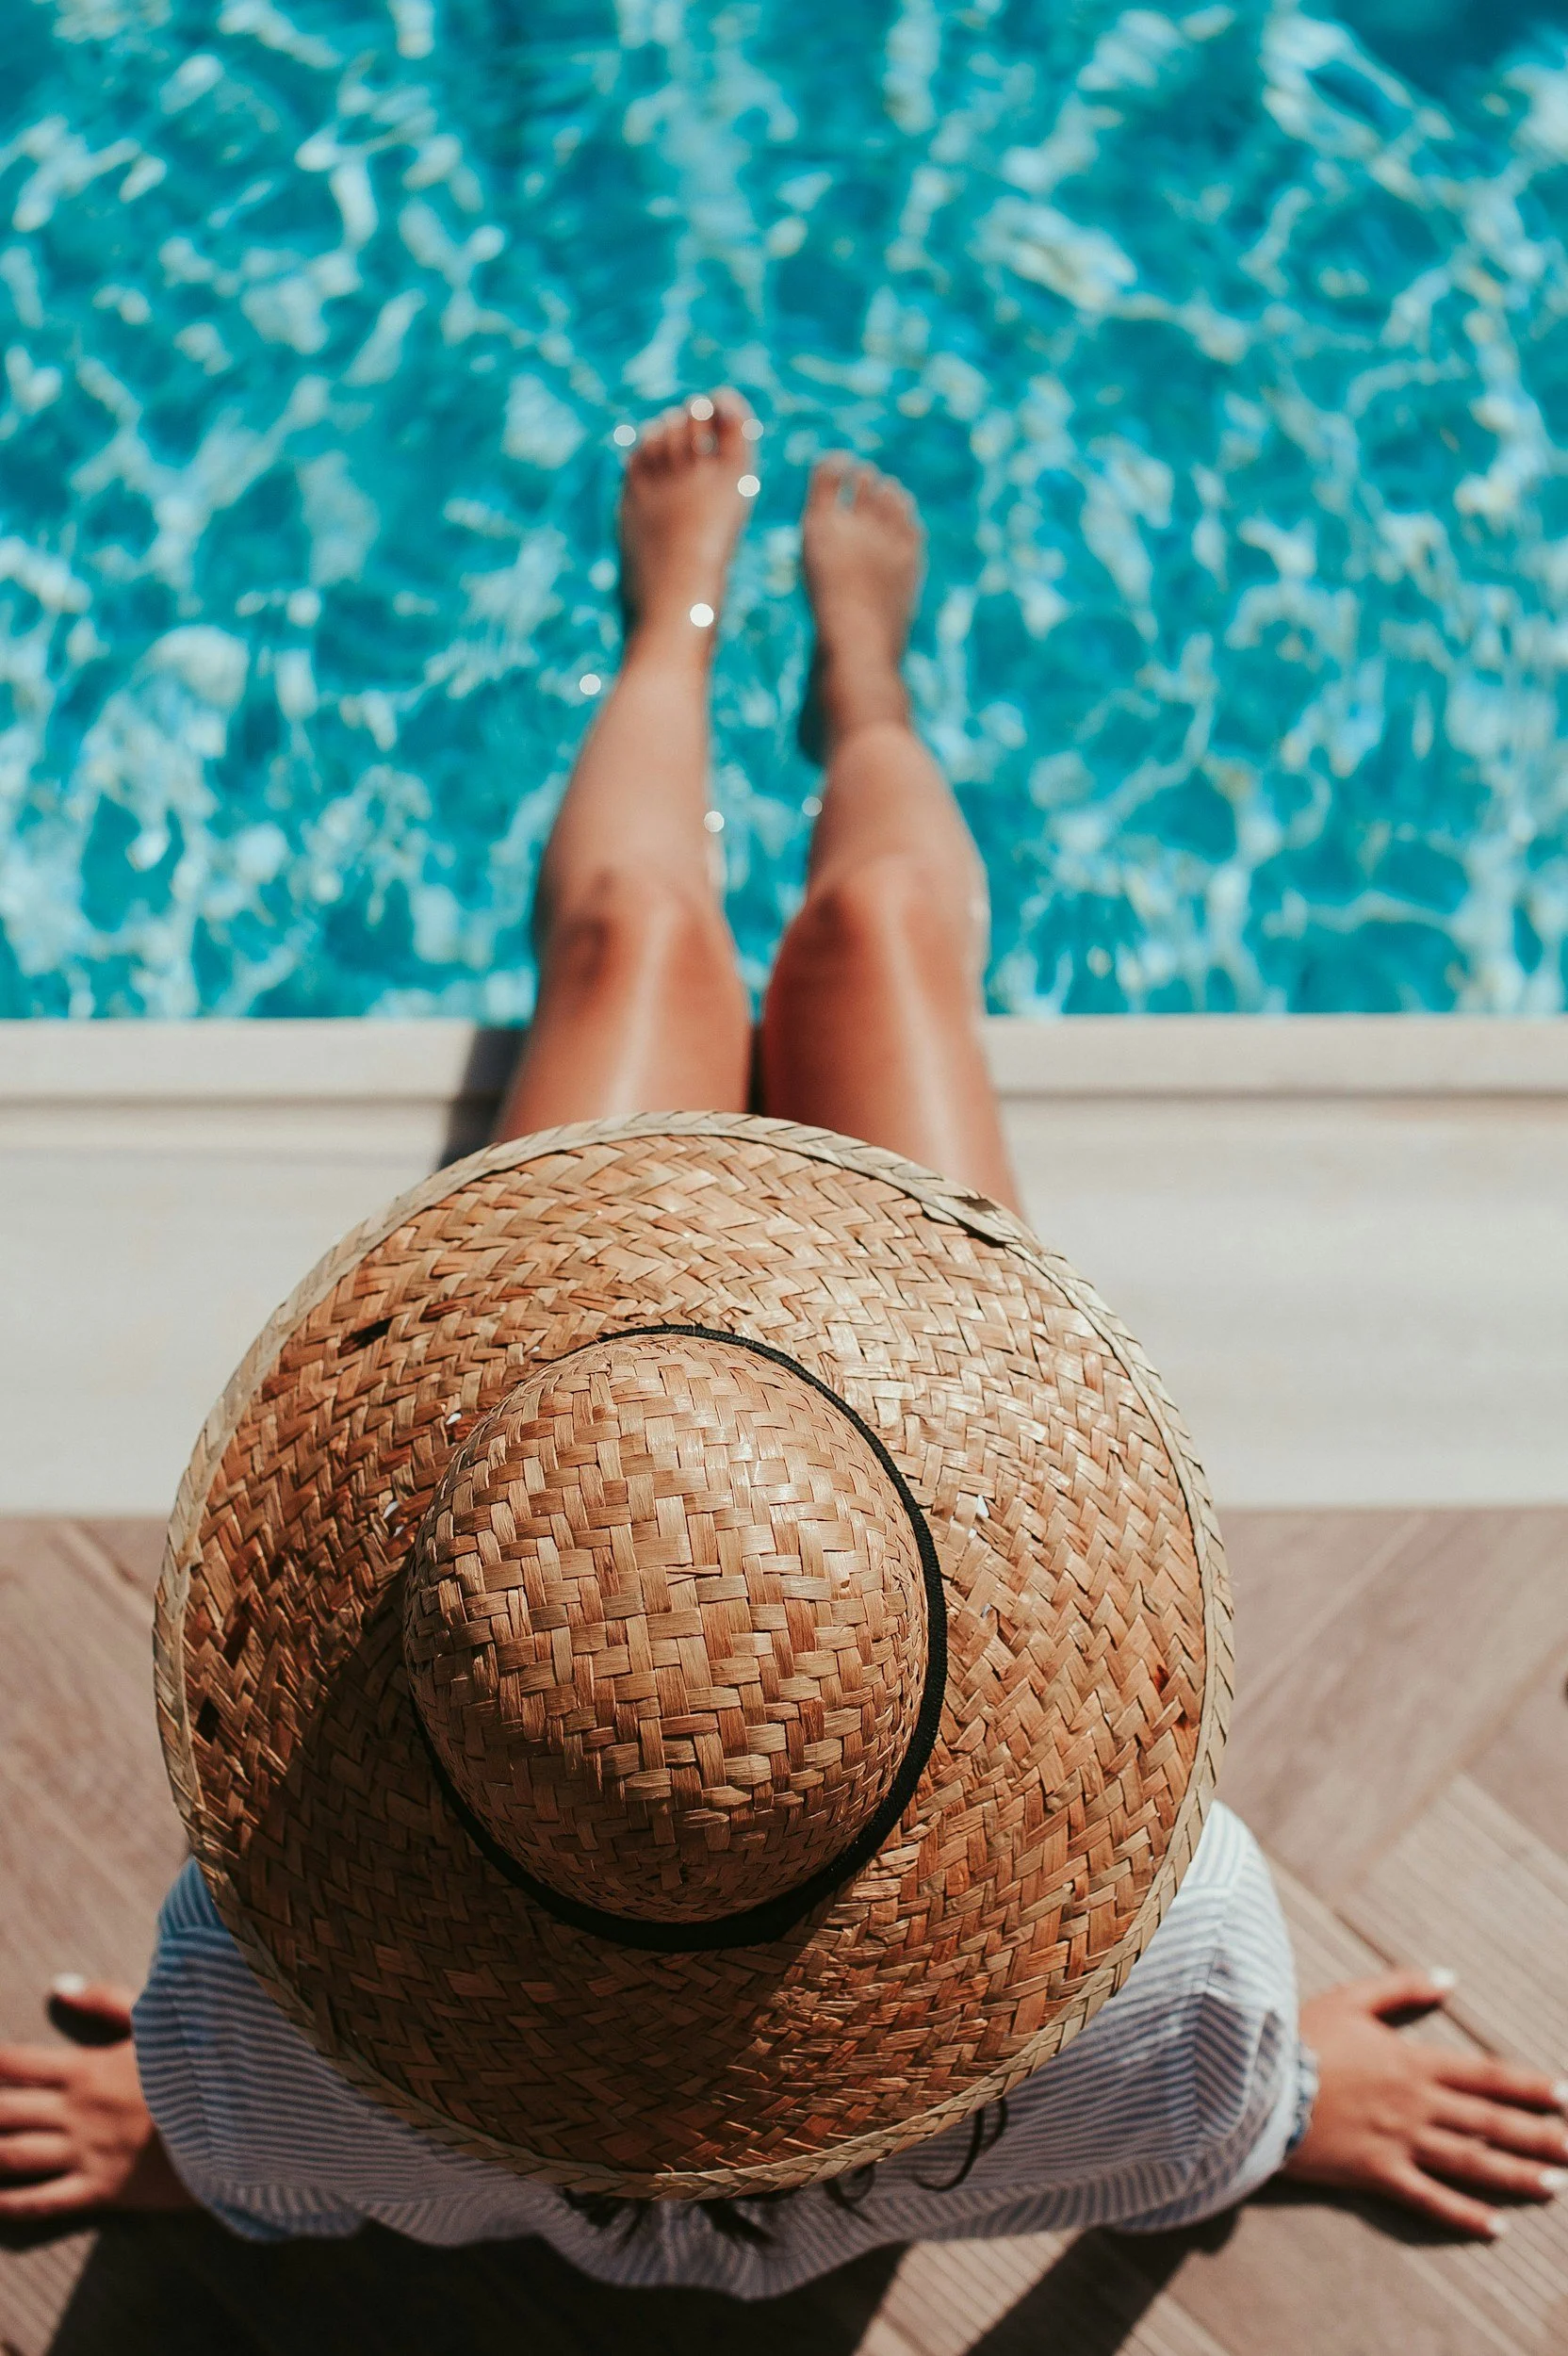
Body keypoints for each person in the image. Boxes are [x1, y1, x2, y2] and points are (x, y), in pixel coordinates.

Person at [3, 393, 1563, 2282]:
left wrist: (191, 2132)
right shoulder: (1173, 1962)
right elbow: (1199, 2131)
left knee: (638, 952)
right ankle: (863, 690)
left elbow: (271, 2156)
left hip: (610, 1446)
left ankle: (675, 622)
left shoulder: (257, 2013)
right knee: (883, 934)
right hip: (848, 1484)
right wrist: (1286, 2109)